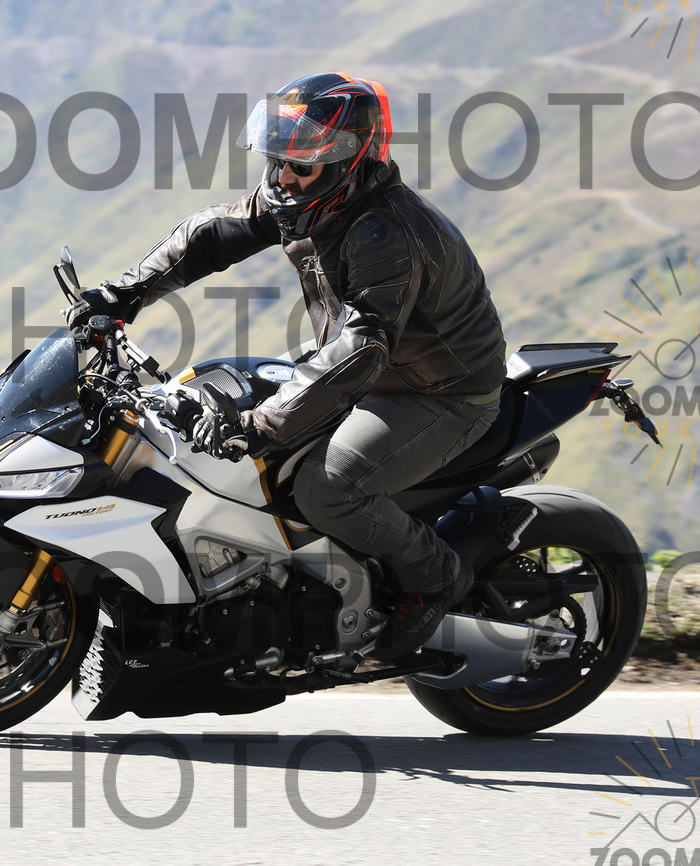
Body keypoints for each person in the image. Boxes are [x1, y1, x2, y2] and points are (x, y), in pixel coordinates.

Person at [67, 72, 507, 657]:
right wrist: (122, 295)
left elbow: (363, 347)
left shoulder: (389, 233)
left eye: (302, 164)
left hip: (438, 391)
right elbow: (210, 235)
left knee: (327, 488)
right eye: (278, 160)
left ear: (348, 162)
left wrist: (262, 423)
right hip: (364, 364)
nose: (283, 176)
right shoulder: (307, 200)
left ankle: (435, 575)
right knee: (206, 406)